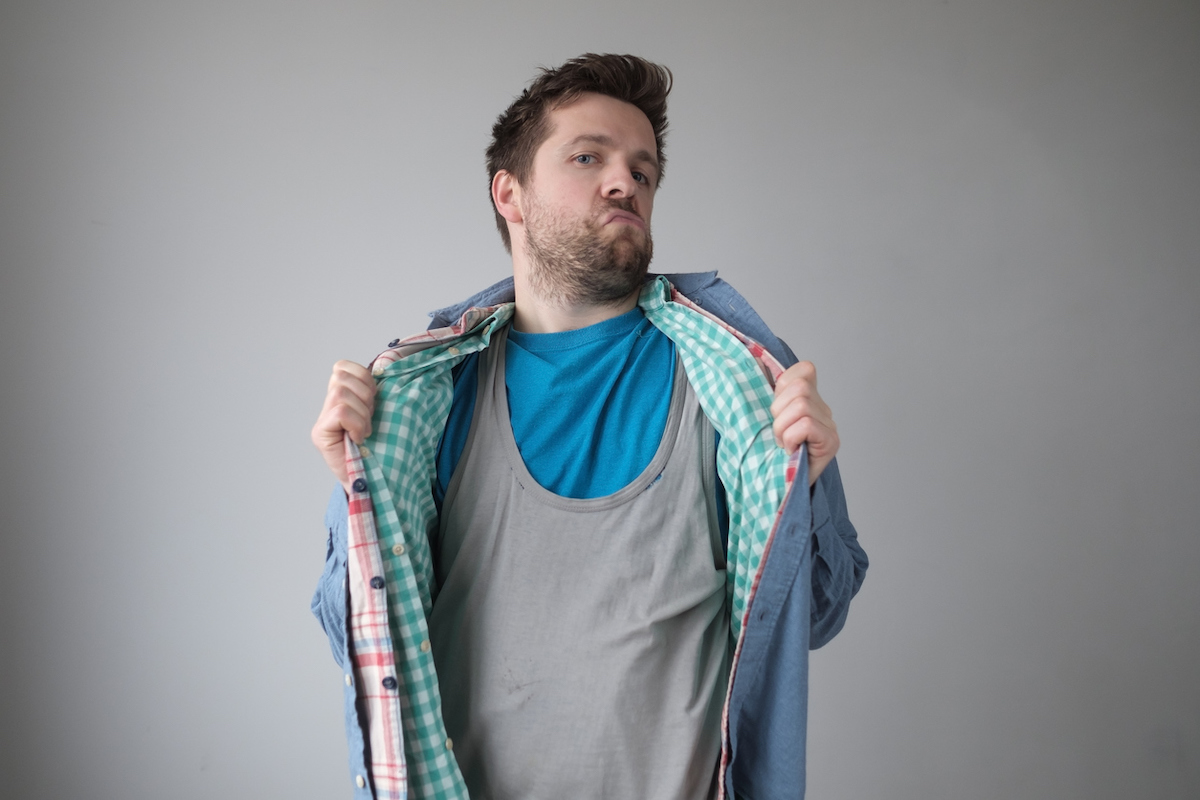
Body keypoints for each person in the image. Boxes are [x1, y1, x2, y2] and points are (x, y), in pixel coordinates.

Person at [310, 54, 867, 800]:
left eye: (643, 171)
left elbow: (814, 618)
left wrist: (815, 479)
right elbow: (363, 643)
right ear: (510, 193)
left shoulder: (735, 381)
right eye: (587, 157)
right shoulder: (424, 397)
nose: (624, 183)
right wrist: (353, 489)